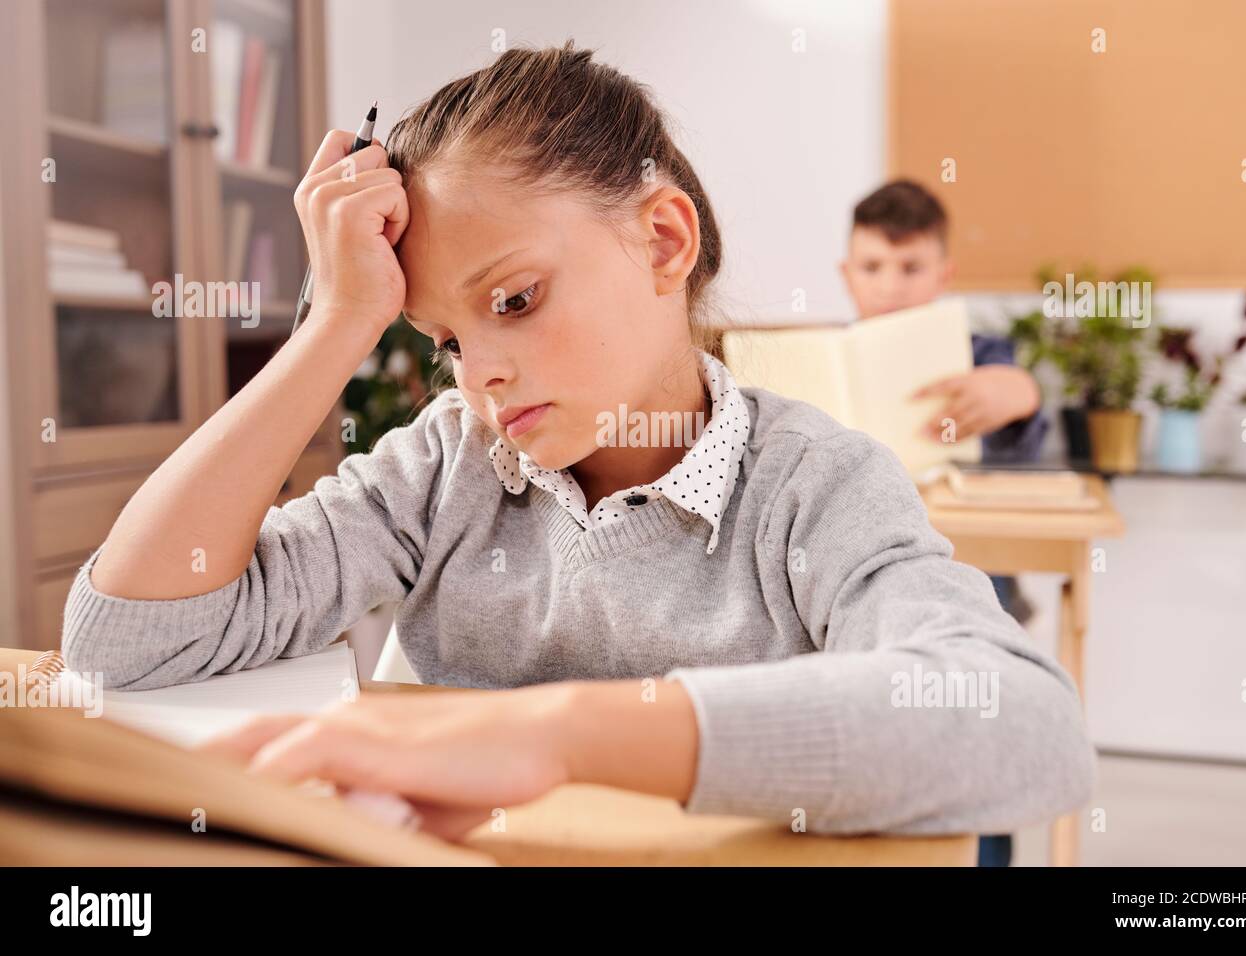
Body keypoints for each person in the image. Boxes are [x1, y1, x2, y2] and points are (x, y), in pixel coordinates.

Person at [63, 43, 1091, 848]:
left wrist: (550, 734)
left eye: (514, 299)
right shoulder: (443, 467)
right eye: (445, 339)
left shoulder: (814, 486)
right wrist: (333, 324)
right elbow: (126, 644)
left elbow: (1021, 722)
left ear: (663, 240)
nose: (479, 374)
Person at [841, 179, 1051, 864]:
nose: (891, 285)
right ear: (847, 275)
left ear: (945, 274)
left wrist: (1017, 392)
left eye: (911, 268)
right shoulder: (826, 356)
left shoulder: (980, 354)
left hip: (970, 588)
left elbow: (1024, 428)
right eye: (873, 267)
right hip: (859, 592)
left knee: (974, 727)